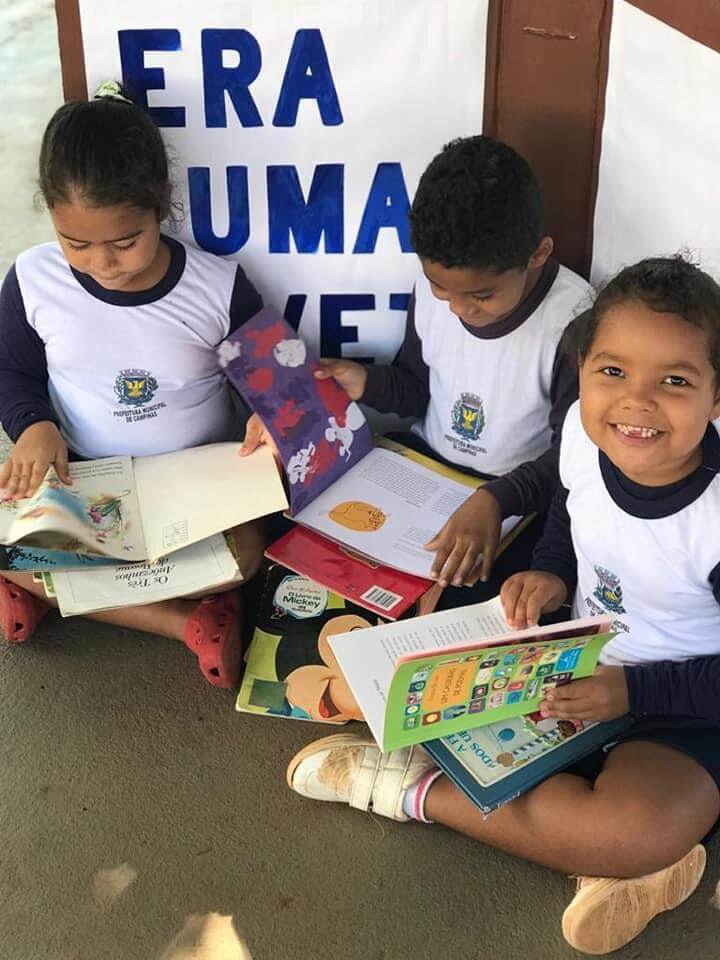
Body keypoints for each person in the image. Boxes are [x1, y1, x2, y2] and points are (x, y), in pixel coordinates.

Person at [285, 257, 720, 954]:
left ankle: (411, 791)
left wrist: (633, 689)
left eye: (674, 381)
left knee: (637, 826)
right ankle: (621, 868)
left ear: (717, 396)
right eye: (612, 372)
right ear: (581, 372)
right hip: (575, 652)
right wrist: (550, 574)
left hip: (684, 702)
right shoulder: (583, 430)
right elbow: (571, 515)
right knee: (420, 663)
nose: (636, 403)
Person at [0, 81, 265, 688]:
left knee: (247, 555)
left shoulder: (217, 285)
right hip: (83, 477)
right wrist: (34, 426)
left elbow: (276, 384)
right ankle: (184, 623)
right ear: (52, 219)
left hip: (194, 481)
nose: (102, 263)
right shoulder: (33, 278)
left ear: (161, 206)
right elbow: (10, 370)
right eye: (76, 244)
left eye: (125, 241)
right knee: (12, 533)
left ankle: (62, 594)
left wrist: (266, 416)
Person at [310, 135, 591, 597]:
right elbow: (420, 389)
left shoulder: (574, 322)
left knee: (475, 599)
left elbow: (576, 456)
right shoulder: (431, 293)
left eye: (481, 295)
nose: (460, 309)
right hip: (426, 468)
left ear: (537, 255)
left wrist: (498, 499)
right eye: (440, 287)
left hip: (520, 496)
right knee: (326, 561)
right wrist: (366, 383)